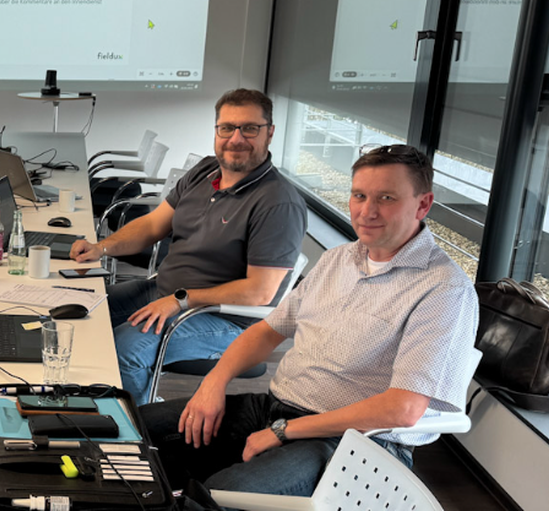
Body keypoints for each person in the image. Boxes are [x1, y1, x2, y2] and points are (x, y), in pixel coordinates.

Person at [141, 145, 481, 497]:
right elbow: (266, 331)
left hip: (354, 441)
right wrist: (213, 383)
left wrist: (284, 431)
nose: (367, 211)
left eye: (386, 198)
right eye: (359, 196)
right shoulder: (338, 259)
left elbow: (403, 409)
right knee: (134, 428)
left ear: (423, 205)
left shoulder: (443, 289)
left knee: (223, 494)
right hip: (275, 410)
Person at [69, 89, 307, 400]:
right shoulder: (204, 171)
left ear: (270, 133)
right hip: (166, 293)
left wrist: (180, 300)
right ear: (216, 130)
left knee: (126, 349)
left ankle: (136, 423)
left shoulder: (278, 202)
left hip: (224, 318)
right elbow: (153, 225)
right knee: (80, 310)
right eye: (227, 128)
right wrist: (102, 247)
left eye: (249, 128)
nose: (236, 139)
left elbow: (259, 292)